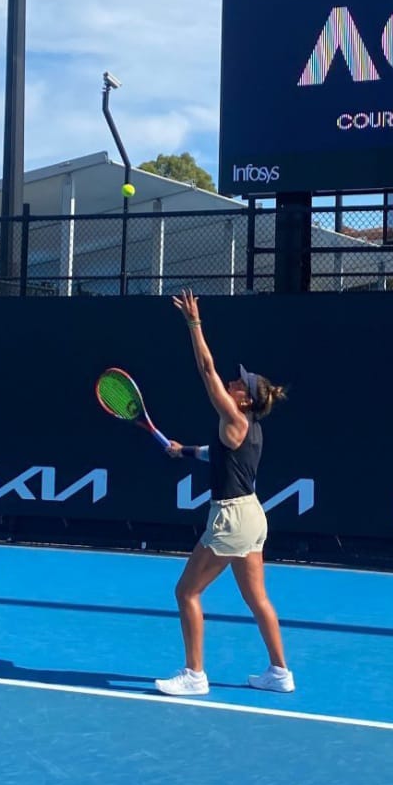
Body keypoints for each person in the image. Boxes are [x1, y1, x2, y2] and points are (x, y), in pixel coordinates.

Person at [154, 288, 294, 697]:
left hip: (231, 518)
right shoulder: (251, 431)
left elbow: (205, 367)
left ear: (245, 399)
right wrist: (186, 450)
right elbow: (220, 455)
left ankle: (194, 675)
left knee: (186, 591)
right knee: (257, 599)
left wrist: (194, 325)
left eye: (239, 383)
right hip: (253, 517)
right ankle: (279, 672)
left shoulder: (234, 416)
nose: (232, 382)